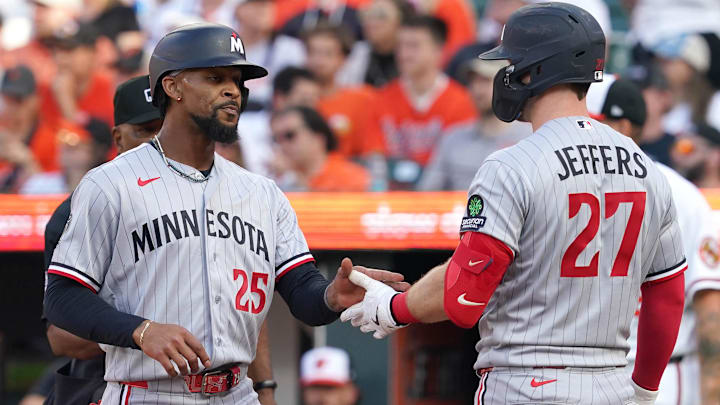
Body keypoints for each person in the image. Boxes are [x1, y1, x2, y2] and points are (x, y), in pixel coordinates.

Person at [43, 23, 407, 404]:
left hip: (237, 392)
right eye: (215, 78)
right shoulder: (109, 184)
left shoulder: (262, 192)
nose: (233, 90)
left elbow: (302, 292)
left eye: (237, 80)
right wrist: (142, 330)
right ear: (173, 87)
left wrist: (331, 296)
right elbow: (63, 297)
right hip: (148, 391)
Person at [341, 3, 686, 404]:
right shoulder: (645, 167)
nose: (505, 75)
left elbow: (465, 298)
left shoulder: (510, 165)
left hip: (526, 383)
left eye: (511, 63)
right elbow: (667, 292)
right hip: (612, 384)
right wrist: (644, 389)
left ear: (535, 70)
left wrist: (396, 307)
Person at [586, 74, 720, 405]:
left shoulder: (681, 196)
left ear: (623, 127)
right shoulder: (565, 188)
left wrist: (712, 393)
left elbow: (710, 309)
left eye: (589, 123)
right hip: (584, 376)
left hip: (662, 382)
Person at [367, 15, 476, 189]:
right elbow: (375, 162)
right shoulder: (381, 99)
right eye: (400, 46)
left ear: (438, 51)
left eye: (413, 46)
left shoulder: (462, 102)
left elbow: (458, 166)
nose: (404, 54)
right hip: (391, 199)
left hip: (442, 198)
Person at [417, 58, 529, 191]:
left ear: (506, 86)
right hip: (460, 210)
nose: (477, 89)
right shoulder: (453, 138)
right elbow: (426, 192)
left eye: (485, 81)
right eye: (473, 82)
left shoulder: (527, 137)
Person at [0, 64, 90, 193]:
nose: (12, 107)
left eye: (19, 100)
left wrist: (28, 162)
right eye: (7, 99)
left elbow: (62, 193)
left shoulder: (56, 137)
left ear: (35, 100)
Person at [270, 105, 370, 192]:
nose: (282, 144)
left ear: (318, 137)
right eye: (276, 139)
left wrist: (294, 178)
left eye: (290, 135)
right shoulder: (279, 179)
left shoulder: (350, 177)